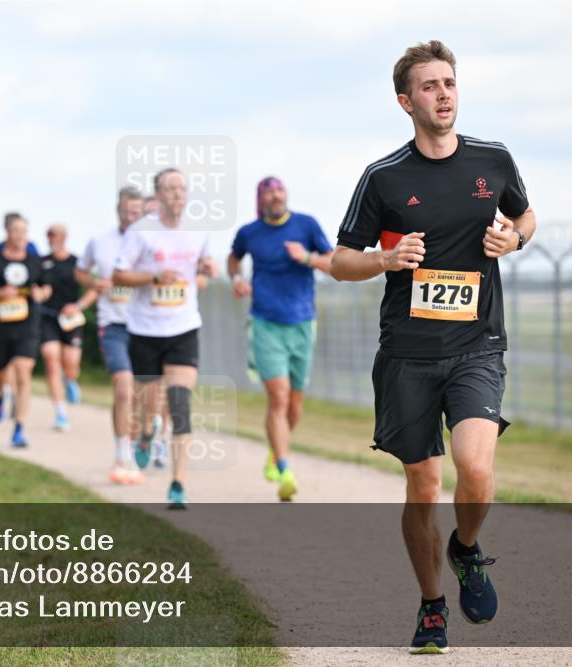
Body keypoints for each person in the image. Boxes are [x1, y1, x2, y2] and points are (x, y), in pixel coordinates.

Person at [330, 40, 536, 654]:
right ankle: (431, 607)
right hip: (408, 354)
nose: (443, 93)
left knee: (475, 468)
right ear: (405, 101)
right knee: (422, 487)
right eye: (429, 86)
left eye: (449, 83)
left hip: (477, 346)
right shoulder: (384, 177)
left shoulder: (493, 160)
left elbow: (525, 217)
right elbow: (341, 261)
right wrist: (385, 259)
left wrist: (514, 240)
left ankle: (467, 550)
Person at [113, 168, 217, 508]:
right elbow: (118, 275)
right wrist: (153, 276)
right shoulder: (142, 232)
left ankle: (177, 485)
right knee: (146, 403)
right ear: (157, 196)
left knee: (180, 404)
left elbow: (204, 263)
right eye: (170, 188)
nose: (177, 194)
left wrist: (208, 267)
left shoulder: (198, 230)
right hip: (145, 329)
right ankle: (144, 435)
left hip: (183, 327)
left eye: (182, 188)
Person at [228, 176, 333, 501]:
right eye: (269, 192)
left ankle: (275, 452)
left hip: (303, 323)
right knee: (279, 396)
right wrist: (236, 278)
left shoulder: (306, 225)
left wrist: (306, 258)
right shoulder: (250, 232)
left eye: (279, 190)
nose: (276, 196)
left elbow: (333, 263)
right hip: (265, 323)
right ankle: (285, 469)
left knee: (295, 407)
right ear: (261, 200)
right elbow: (234, 258)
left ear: (286, 194)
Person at [76, 185, 146, 483]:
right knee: (123, 387)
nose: (130, 216)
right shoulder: (100, 241)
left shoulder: (151, 243)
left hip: (146, 326)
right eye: (125, 211)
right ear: (117, 210)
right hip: (113, 323)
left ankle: (138, 443)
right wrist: (94, 284)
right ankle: (121, 455)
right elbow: (80, 271)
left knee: (144, 397)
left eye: (135, 212)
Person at [0, 212, 51, 448]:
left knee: (23, 371)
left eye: (24, 231)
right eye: (16, 230)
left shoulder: (34, 261)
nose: (20, 235)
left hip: (27, 325)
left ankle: (19, 427)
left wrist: (42, 293)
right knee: (1, 373)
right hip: (0, 326)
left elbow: (46, 286)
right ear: (7, 232)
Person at [40, 224, 95, 431]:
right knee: (51, 359)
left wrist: (78, 306)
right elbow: (36, 286)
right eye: (48, 234)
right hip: (48, 317)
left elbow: (94, 289)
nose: (50, 238)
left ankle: (70, 379)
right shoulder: (42, 262)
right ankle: (60, 413)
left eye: (54, 234)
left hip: (71, 320)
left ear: (64, 237)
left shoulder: (76, 263)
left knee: (70, 364)